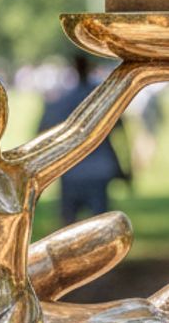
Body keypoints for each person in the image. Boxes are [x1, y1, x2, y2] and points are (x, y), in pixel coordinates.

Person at [38, 56, 133, 226]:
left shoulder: (62, 100)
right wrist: (125, 166)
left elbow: (42, 132)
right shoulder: (102, 99)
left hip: (71, 170)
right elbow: (121, 132)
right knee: (101, 225)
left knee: (68, 226)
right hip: (98, 169)